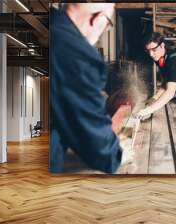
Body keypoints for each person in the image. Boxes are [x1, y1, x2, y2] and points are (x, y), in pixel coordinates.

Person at [49, 3, 122, 173]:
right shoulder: (77, 53)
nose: (104, 31)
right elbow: (96, 144)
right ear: (97, 17)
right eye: (108, 25)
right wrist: (115, 154)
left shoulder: (51, 22)